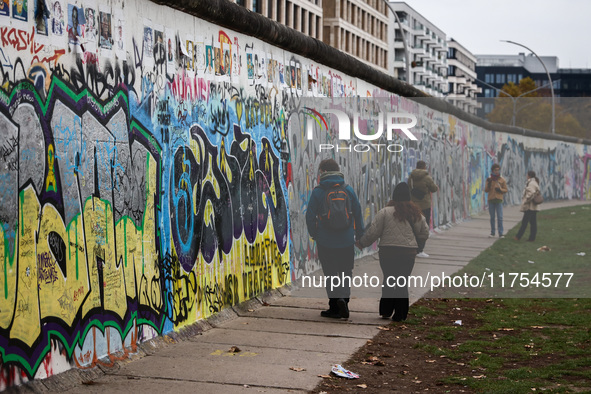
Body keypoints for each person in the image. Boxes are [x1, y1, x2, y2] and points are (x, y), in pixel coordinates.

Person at [356, 182, 429, 322]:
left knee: (389, 279)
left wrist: (362, 243)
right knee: (402, 281)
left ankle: (386, 310)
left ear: (394, 196)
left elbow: (373, 232)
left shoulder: (385, 212)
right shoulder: (416, 213)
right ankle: (400, 314)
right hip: (408, 253)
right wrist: (416, 243)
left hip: (388, 252)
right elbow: (424, 233)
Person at [306, 158, 364, 319]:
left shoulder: (318, 191)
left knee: (331, 274)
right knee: (345, 272)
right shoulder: (348, 189)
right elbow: (358, 214)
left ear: (323, 172)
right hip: (346, 241)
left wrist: (315, 234)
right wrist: (359, 235)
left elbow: (310, 216)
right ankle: (343, 300)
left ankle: (334, 306)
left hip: (326, 241)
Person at [409, 160, 438, 257]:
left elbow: (409, 188)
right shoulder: (427, 177)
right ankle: (420, 250)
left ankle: (413, 248)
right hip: (425, 205)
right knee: (423, 228)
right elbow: (434, 189)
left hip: (414, 205)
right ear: (424, 167)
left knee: (413, 226)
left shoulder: (411, 177)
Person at [514, 171, 541, 242]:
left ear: (529, 175)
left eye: (527, 175)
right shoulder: (534, 182)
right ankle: (532, 238)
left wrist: (526, 200)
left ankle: (518, 237)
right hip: (533, 207)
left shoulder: (531, 183)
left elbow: (531, 193)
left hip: (530, 207)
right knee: (533, 223)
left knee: (524, 222)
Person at [484, 163, 508, 238]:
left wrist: (500, 189)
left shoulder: (502, 179)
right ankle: (492, 232)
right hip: (491, 200)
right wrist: (488, 185)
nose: (497, 172)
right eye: (495, 170)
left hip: (499, 200)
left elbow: (505, 190)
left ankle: (501, 233)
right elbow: (486, 190)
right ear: (492, 171)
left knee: (500, 217)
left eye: (498, 170)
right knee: (492, 217)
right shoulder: (489, 179)